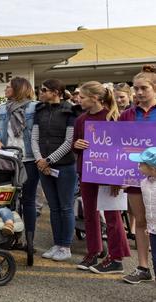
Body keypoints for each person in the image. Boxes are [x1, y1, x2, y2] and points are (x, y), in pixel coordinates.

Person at [72, 81, 131, 273]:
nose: (78, 100)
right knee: (89, 214)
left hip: (109, 174)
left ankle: (116, 257)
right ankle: (94, 251)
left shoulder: (113, 117)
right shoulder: (80, 119)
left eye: (82, 97)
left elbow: (122, 148)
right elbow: (74, 144)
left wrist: (118, 177)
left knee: (112, 215)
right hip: (87, 172)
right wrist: (77, 145)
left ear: (95, 98)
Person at [31, 79, 78, 261]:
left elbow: (69, 141)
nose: (40, 93)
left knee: (65, 206)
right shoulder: (40, 110)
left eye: (44, 90)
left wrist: (49, 160)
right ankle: (57, 243)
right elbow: (34, 137)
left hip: (65, 166)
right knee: (54, 207)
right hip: (43, 165)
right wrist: (39, 160)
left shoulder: (70, 110)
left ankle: (65, 245)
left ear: (56, 92)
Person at [0, 78, 39, 251]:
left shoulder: (34, 107)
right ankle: (9, 235)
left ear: (19, 88)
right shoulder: (3, 108)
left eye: (9, 86)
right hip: (8, 158)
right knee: (7, 198)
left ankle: (29, 239)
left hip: (29, 158)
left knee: (28, 200)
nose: (5, 88)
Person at [118, 65, 156, 283]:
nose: (139, 93)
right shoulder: (127, 115)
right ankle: (142, 266)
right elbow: (117, 145)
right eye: (136, 88)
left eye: (144, 88)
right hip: (135, 175)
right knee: (140, 221)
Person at [128, 147, 156, 284]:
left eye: (141, 164)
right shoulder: (144, 183)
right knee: (155, 260)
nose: (138, 166)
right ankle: (144, 268)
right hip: (152, 229)